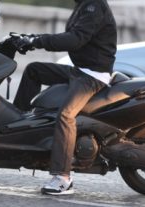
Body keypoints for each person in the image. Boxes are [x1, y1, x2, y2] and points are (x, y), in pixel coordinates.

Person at [12, 0, 117, 195]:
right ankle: (18, 127)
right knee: (34, 70)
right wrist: (29, 38)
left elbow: (74, 39)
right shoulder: (83, 4)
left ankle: (63, 177)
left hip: (92, 75)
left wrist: (37, 41)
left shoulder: (94, 5)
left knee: (66, 115)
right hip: (79, 71)